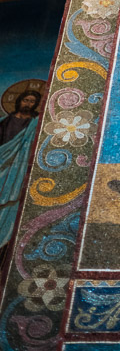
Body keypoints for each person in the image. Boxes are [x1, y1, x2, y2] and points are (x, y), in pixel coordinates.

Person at [0, 90, 41, 253]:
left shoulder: (36, 124)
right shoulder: (4, 122)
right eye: (26, 100)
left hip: (20, 170)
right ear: (19, 100)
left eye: (32, 101)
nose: (28, 104)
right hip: (3, 164)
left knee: (12, 205)